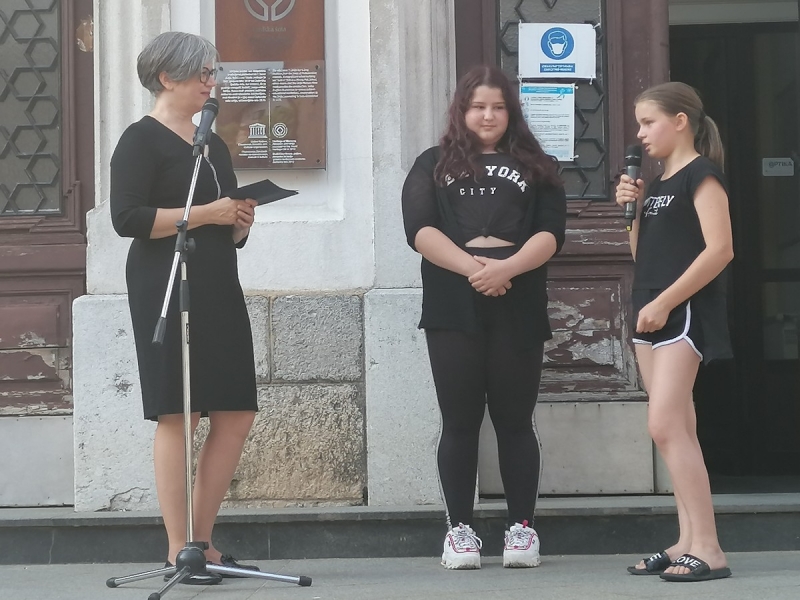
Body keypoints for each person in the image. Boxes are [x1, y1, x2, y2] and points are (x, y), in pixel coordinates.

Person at [401, 65, 567, 570]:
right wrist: (477, 271)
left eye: (498, 107)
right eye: (478, 107)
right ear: (461, 111)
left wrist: (507, 269)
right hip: (454, 304)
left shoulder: (539, 166)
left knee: (515, 420)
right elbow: (419, 230)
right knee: (459, 421)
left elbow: (551, 233)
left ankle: (522, 529)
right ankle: (459, 531)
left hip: (518, 301)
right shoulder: (432, 164)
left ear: (511, 111)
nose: (488, 115)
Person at [110, 32, 259, 585]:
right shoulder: (139, 140)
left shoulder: (210, 142)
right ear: (166, 77)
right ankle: (180, 548)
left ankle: (204, 540)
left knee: (236, 410)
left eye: (213, 72)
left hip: (217, 283)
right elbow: (127, 219)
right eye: (201, 73)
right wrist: (205, 215)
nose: (210, 82)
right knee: (180, 411)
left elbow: (223, 215)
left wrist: (239, 224)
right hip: (165, 284)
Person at [615, 82, 734, 582]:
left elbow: (720, 250)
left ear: (680, 121)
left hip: (680, 313)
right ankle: (686, 540)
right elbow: (644, 255)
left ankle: (709, 547)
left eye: (649, 122)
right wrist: (633, 212)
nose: (641, 134)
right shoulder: (659, 183)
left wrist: (666, 302)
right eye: (639, 124)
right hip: (650, 311)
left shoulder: (702, 175)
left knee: (664, 425)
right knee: (678, 428)